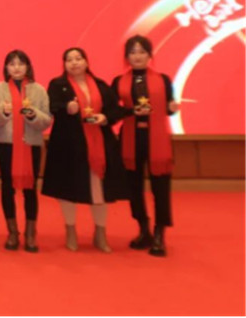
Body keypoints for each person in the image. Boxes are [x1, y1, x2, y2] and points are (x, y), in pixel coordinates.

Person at [41, 47, 128, 252]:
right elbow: (50, 106)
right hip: (68, 146)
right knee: (67, 189)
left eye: (78, 58)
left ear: (86, 62)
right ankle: (71, 231)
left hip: (99, 144)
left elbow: (115, 110)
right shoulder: (58, 84)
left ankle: (100, 233)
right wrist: (66, 108)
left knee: (99, 191)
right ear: (64, 64)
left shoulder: (100, 85)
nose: (74, 63)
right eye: (69, 60)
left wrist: (105, 118)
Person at [112, 35, 178, 257]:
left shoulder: (164, 80)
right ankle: (143, 230)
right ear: (127, 57)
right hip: (131, 139)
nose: (137, 56)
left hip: (157, 139)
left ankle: (160, 234)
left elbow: (168, 107)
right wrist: (130, 111)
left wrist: (171, 108)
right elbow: (113, 111)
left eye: (142, 52)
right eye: (133, 52)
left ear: (150, 55)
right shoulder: (118, 81)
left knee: (161, 188)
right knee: (134, 188)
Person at [0, 50, 52, 252]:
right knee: (7, 187)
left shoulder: (38, 90)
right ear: (6, 67)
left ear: (28, 67)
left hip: (30, 144)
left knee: (30, 189)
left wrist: (33, 115)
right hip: (6, 145)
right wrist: (3, 112)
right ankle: (12, 232)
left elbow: (47, 120)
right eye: (12, 64)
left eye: (20, 64)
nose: (16, 68)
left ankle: (31, 233)